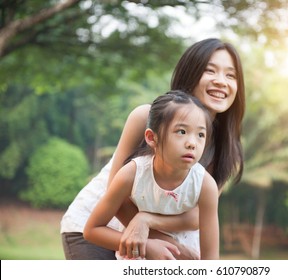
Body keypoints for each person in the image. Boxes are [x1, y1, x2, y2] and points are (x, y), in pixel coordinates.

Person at [60, 37, 245, 260]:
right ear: (191, 75)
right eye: (210, 71)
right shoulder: (146, 117)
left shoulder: (226, 148)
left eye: (230, 75)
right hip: (96, 226)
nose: (221, 81)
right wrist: (157, 241)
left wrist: (147, 223)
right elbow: (116, 195)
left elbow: (198, 216)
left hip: (149, 239)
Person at [84, 91, 219, 260]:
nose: (192, 143)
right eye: (181, 131)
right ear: (151, 137)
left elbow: (211, 259)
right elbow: (91, 230)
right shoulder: (132, 174)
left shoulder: (205, 185)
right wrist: (147, 246)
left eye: (200, 135)